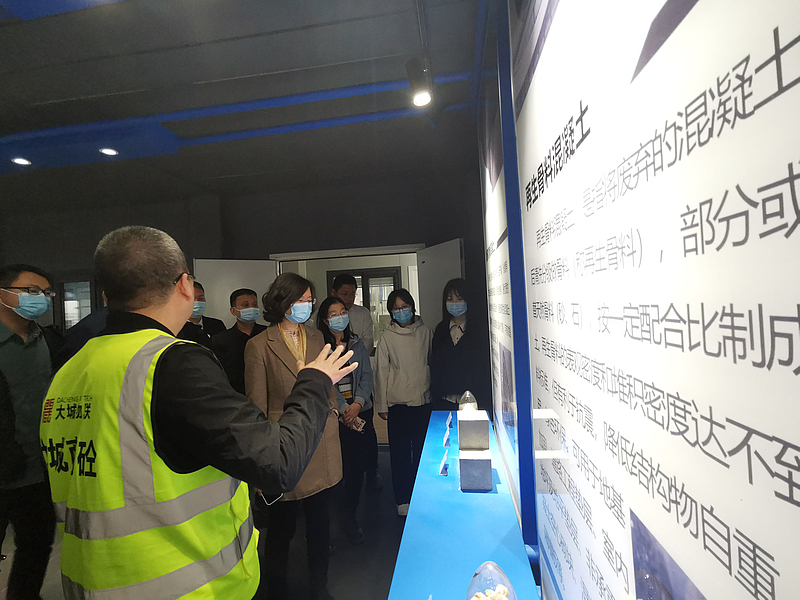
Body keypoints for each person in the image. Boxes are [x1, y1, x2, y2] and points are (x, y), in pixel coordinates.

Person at [40, 226, 357, 600]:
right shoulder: (171, 362)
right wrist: (315, 381)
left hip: (94, 582)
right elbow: (277, 462)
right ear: (185, 285)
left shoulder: (71, 368)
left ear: (107, 294)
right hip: (183, 583)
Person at [245, 274, 342, 600]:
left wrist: (335, 412)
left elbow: (328, 385)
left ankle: (319, 587)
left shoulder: (316, 336)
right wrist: (260, 464)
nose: (306, 306)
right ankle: (277, 591)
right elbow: (256, 407)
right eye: (300, 300)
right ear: (282, 302)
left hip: (321, 442)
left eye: (309, 300)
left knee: (320, 525)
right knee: (281, 529)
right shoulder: (259, 345)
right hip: (284, 445)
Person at [0, 264, 57, 600]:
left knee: (36, 547)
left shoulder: (49, 340)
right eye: (31, 291)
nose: (41, 299)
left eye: (46, 293)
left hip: (38, 469)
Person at [316, 296, 375, 545]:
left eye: (343, 312)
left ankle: (350, 516)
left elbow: (366, 375)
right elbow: (324, 383)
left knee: (355, 469)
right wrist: (343, 409)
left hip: (359, 412)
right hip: (333, 417)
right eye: (334, 314)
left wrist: (357, 403)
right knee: (331, 472)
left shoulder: (356, 343)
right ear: (324, 319)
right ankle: (327, 525)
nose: (340, 317)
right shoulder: (319, 347)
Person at [374, 288, 432, 516]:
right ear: (391, 312)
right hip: (398, 404)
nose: (401, 311)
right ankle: (402, 499)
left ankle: (422, 494)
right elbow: (381, 372)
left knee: (422, 452)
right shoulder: (387, 337)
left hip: (423, 401)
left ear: (412, 307)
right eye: (396, 308)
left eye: (404, 306)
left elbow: (431, 363)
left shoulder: (426, 332)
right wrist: (381, 404)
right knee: (399, 455)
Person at [330, 274, 382, 491]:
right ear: (334, 293)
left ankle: (371, 473)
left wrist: (357, 402)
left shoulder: (362, 315)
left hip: (359, 390)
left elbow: (367, 345)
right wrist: (344, 407)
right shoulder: (321, 332)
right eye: (345, 294)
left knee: (367, 437)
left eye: (353, 294)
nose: (349, 298)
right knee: (342, 444)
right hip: (336, 400)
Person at [430, 278, 492, 412]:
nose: (454, 303)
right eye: (450, 299)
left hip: (475, 402)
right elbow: (436, 365)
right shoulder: (441, 330)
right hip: (445, 402)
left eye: (459, 299)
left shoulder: (481, 330)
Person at [211, 288, 267, 394]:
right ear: (233, 311)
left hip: (265, 392)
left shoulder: (268, 334)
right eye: (246, 305)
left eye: (254, 305)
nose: (251, 308)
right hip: (234, 394)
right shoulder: (221, 340)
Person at [177, 280, 225, 348]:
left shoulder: (217, 325)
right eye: (192, 298)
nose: (197, 301)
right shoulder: (176, 328)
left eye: (201, 298)